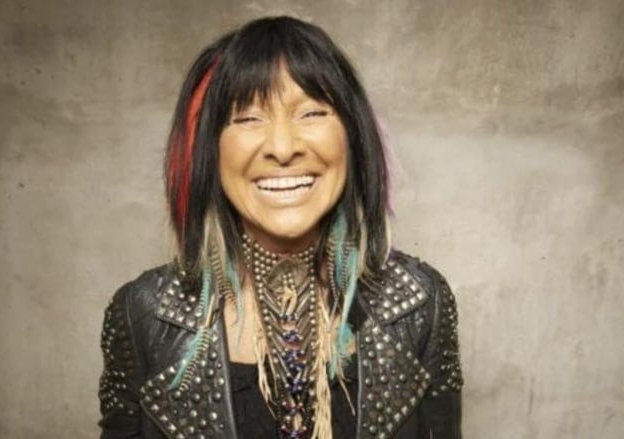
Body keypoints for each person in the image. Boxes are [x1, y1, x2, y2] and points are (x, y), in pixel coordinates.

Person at [98, 16, 463, 439]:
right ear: (209, 149)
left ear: (353, 135)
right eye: (248, 118)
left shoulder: (420, 303)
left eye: (311, 112)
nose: (283, 148)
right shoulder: (141, 315)